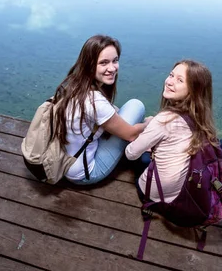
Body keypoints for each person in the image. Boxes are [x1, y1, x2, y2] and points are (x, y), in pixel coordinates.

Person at [125, 59, 222, 202]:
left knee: (143, 157)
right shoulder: (199, 116)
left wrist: (145, 132)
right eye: (171, 75)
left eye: (180, 80)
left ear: (193, 90)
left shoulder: (163, 120)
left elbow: (130, 153)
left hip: (153, 194)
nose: (169, 82)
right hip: (184, 189)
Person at [52, 35, 151, 185]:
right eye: (104, 63)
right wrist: (148, 124)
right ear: (90, 65)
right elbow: (130, 135)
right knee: (136, 106)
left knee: (120, 113)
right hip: (85, 173)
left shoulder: (73, 85)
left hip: (65, 162)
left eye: (115, 60)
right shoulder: (95, 101)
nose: (112, 68)